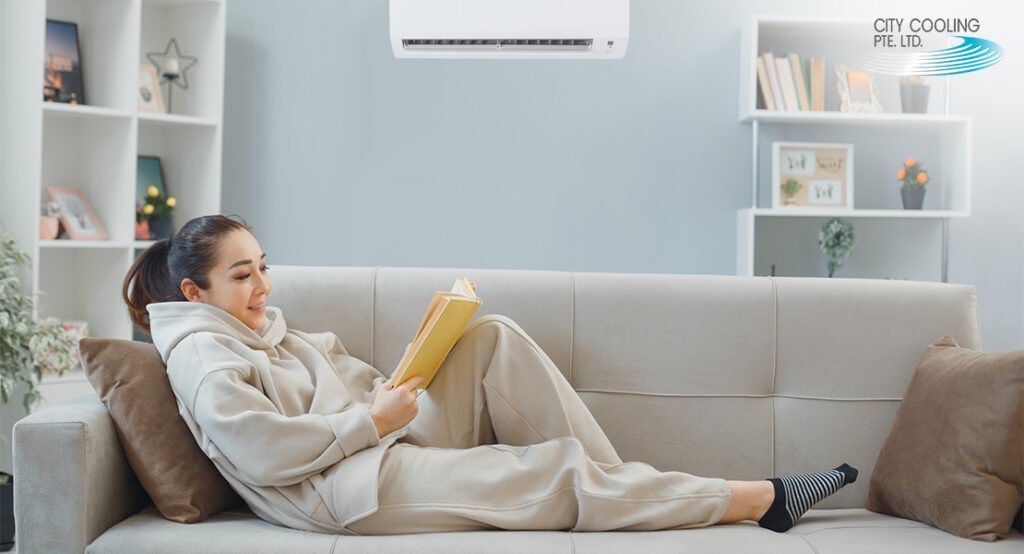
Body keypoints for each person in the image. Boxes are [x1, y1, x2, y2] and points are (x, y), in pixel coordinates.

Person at [122, 214, 858, 536]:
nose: (263, 287)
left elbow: (346, 386)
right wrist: (370, 422)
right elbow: (261, 452)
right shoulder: (204, 355)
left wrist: (409, 372)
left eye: (263, 267)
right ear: (195, 292)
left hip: (377, 440)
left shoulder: (257, 329)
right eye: (243, 276)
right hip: (344, 489)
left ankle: (626, 494)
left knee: (492, 337)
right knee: (553, 470)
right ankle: (759, 499)